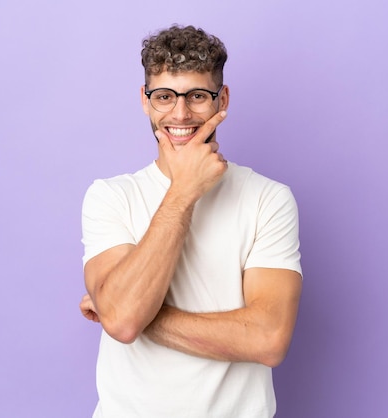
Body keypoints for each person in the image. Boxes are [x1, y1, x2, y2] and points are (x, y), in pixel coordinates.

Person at [79, 24, 302, 418]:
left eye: (197, 96)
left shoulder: (268, 199)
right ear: (145, 101)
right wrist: (183, 192)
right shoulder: (110, 196)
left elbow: (269, 339)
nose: (180, 113)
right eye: (164, 96)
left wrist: (127, 312)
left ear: (222, 99)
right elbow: (122, 319)